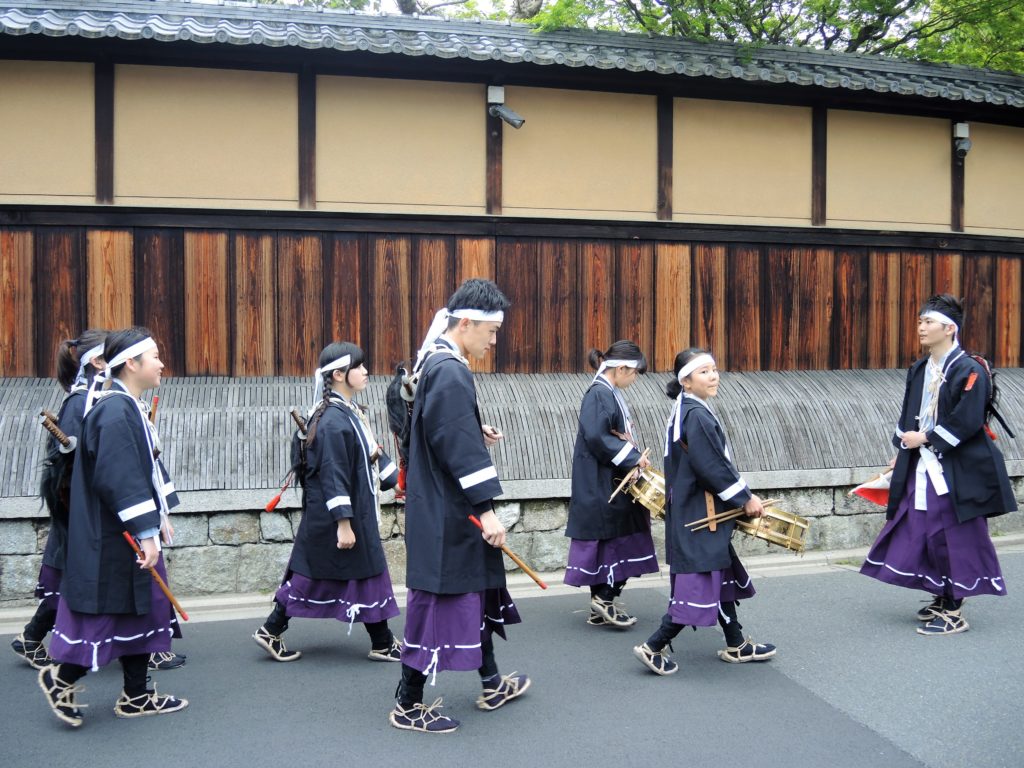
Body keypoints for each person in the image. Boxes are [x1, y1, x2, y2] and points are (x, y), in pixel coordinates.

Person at [390, 278, 529, 734]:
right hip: (452, 513)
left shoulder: (433, 363)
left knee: (472, 593)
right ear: (465, 323)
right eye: (489, 332)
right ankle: (407, 702)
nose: (493, 342)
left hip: (442, 508)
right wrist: (487, 510)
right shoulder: (450, 370)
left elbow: (438, 430)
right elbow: (454, 446)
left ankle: (491, 683)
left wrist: (473, 424)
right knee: (439, 602)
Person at [38, 328, 187, 727]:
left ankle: (137, 695)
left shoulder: (123, 407)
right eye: (154, 356)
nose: (161, 363)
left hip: (120, 534)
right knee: (110, 614)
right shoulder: (117, 410)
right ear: (131, 363)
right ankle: (61, 678)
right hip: (113, 537)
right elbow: (120, 478)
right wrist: (146, 532)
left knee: (141, 611)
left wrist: (152, 526)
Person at [860, 294, 1014, 635]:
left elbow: (968, 419)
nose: (921, 327)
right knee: (922, 526)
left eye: (927, 322)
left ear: (949, 328)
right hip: (924, 462)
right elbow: (908, 415)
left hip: (960, 466)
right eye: (920, 322)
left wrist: (925, 439)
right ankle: (944, 593)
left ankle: (956, 606)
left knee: (957, 533)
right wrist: (903, 449)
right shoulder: (920, 369)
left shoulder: (970, 369)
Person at [253, 342, 403, 663]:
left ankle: (381, 640)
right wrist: (344, 524)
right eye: (359, 367)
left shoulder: (347, 414)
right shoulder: (334, 421)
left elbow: (371, 453)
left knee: (345, 574)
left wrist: (399, 483)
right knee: (340, 574)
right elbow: (334, 474)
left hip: (348, 511)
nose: (366, 372)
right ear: (338, 375)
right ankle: (382, 641)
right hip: (340, 516)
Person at [633, 348, 776, 676]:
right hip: (702, 513)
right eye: (704, 372)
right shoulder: (696, 414)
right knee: (700, 582)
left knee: (719, 572)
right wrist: (744, 498)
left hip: (693, 508)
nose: (713, 376)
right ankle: (654, 645)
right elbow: (711, 465)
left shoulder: (686, 410)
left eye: (714, 370)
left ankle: (736, 643)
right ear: (685, 381)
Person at [11, 331, 106, 670]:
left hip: (87, 508)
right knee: (72, 578)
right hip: (77, 508)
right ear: (96, 361)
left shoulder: (95, 398)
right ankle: (38, 642)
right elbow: (65, 466)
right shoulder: (80, 401)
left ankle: (33, 640)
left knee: (76, 578)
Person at [564, 340, 658, 628]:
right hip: (602, 481)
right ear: (621, 368)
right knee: (621, 538)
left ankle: (600, 605)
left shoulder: (606, 392)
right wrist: (631, 458)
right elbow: (597, 436)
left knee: (606, 543)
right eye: (634, 373)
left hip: (604, 479)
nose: (635, 379)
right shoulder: (600, 394)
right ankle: (605, 598)